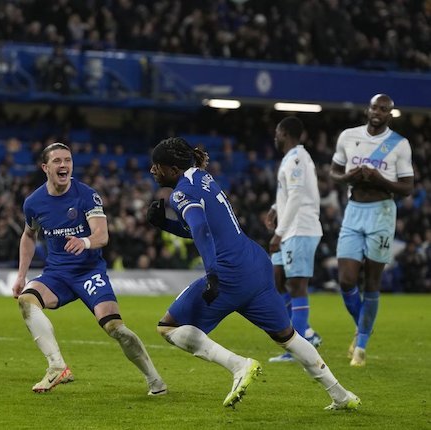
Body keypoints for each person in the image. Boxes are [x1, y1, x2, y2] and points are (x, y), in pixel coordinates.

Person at [146, 137, 359, 410]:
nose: (153, 171)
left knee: (167, 326)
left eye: (157, 166)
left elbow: (201, 231)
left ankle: (238, 365)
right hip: (256, 265)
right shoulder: (202, 177)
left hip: (229, 273)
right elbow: (210, 228)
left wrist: (212, 273)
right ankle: (341, 395)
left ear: (173, 170)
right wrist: (166, 225)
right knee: (288, 337)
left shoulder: (180, 193)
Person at [11, 142, 167, 395]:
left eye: (68, 160)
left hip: (89, 273)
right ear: (45, 167)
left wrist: (84, 242)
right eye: (57, 161)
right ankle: (56, 367)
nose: (64, 165)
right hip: (57, 275)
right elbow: (28, 235)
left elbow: (102, 235)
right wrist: (21, 276)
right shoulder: (34, 202)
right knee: (27, 300)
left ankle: (155, 382)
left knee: (116, 329)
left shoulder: (87, 195)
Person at [330, 94, 414, 367]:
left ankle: (361, 347)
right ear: (367, 109)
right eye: (375, 107)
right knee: (346, 280)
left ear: (391, 114)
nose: (378, 112)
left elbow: (407, 187)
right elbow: (334, 172)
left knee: (372, 283)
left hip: (382, 213)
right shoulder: (348, 136)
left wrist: (380, 179)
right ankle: (364, 326)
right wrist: (348, 178)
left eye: (384, 109)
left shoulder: (399, 145)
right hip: (354, 211)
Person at [264, 116, 323, 362]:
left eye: (277, 131)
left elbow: (298, 196)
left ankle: (300, 345)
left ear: (285, 133)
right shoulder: (290, 159)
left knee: (297, 286)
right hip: (291, 229)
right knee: (277, 279)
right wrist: (276, 207)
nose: (275, 136)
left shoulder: (297, 159)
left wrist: (279, 233)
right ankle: (306, 333)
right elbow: (289, 194)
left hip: (300, 229)